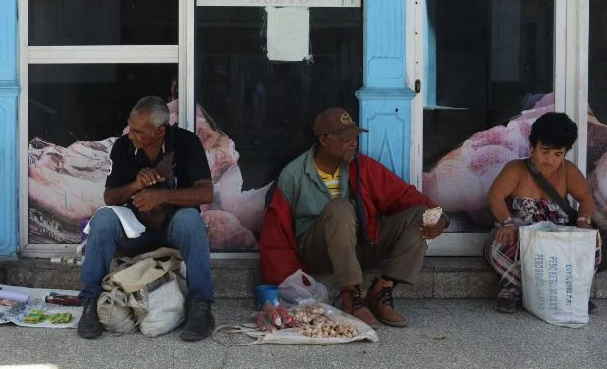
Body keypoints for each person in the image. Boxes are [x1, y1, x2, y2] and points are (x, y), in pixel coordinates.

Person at [259, 108, 449, 327]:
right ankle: (351, 295)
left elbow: (404, 195)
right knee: (340, 208)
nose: (354, 143)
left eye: (355, 138)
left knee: (421, 215)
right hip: (319, 252)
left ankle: (382, 290)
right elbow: (276, 232)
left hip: (361, 244)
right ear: (324, 140)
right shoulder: (293, 175)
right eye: (346, 139)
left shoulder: (362, 166)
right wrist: (285, 281)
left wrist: (440, 217)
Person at [77, 96, 216, 341]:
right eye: (130, 128)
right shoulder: (123, 146)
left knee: (191, 221)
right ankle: (90, 301)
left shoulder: (186, 143)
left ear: (159, 131)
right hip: (136, 229)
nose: (131, 135)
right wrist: (135, 185)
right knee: (103, 220)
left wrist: (161, 196)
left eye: (138, 131)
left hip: (173, 227)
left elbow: (205, 192)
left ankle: (201, 305)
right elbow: (110, 197)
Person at [484, 112, 601, 313]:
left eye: (558, 154)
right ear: (532, 147)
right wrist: (507, 223)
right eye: (544, 151)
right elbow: (495, 196)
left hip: (557, 239)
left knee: (593, 242)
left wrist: (583, 220)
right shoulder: (516, 169)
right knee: (498, 245)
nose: (550, 159)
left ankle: (573, 290)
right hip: (521, 236)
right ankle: (511, 288)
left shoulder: (568, 171)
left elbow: (586, 199)